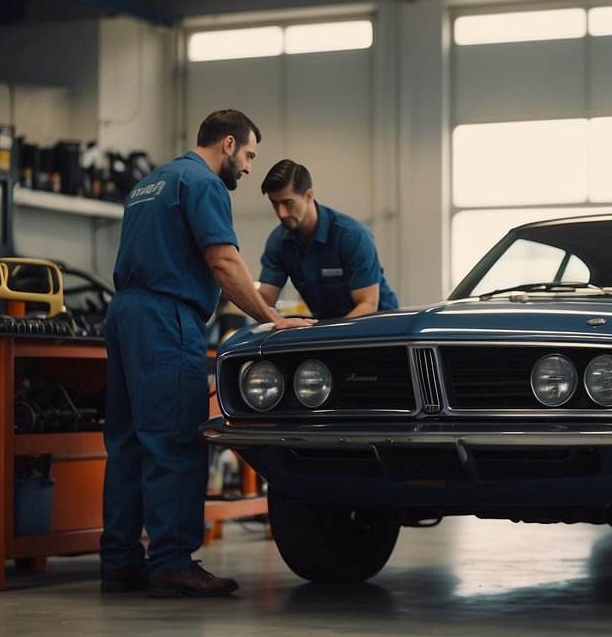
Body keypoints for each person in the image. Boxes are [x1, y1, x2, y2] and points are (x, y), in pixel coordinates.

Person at [101, 110, 313, 598]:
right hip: (165, 318)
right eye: (249, 156)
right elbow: (223, 260)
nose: (248, 168)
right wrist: (272, 319)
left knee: (129, 442)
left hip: (124, 314)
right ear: (229, 144)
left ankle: (119, 559)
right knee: (175, 440)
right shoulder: (203, 184)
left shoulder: (151, 182)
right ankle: (172, 561)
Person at [256, 159, 398, 320]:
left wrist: (331, 339)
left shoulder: (352, 236)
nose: (281, 213)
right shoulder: (278, 242)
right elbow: (266, 300)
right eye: (274, 204)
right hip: (328, 324)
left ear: (309, 196)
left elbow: (368, 304)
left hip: (378, 324)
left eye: (288, 203)